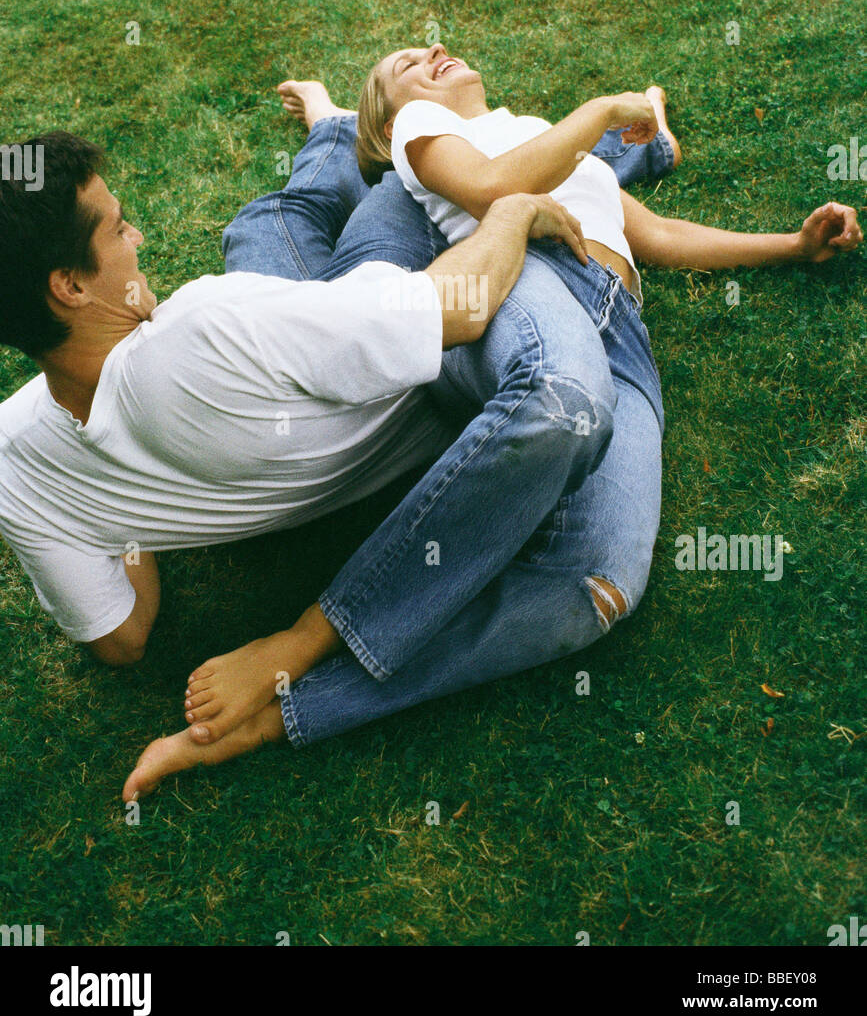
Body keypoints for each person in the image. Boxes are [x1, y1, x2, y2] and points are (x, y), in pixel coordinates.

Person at [118, 50, 857, 800]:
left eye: (433, 49)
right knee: (561, 398)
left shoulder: (542, 134)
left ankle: (284, 714)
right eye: (407, 62)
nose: (430, 53)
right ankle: (304, 639)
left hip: (621, 335)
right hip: (519, 277)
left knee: (596, 589)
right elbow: (496, 188)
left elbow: (656, 234)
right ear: (385, 116)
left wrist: (791, 247)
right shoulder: (422, 126)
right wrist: (602, 111)